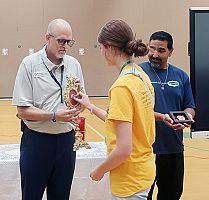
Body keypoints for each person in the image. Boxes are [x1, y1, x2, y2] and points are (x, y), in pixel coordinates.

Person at [73, 19, 156, 200]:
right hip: (145, 171)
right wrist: (91, 107)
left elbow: (124, 149)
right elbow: (124, 121)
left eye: (101, 47)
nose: (101, 52)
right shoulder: (141, 76)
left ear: (109, 47)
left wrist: (99, 171)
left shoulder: (121, 87)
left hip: (129, 181)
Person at [12, 19, 85, 200]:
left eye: (69, 42)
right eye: (61, 41)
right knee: (31, 195)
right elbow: (22, 110)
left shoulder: (74, 64)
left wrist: (81, 104)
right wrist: (54, 116)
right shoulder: (29, 64)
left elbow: (83, 98)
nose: (65, 46)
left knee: (61, 196)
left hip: (67, 142)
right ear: (47, 37)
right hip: (37, 142)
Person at [139, 31, 195, 200]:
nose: (155, 55)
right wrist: (162, 117)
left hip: (173, 148)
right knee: (142, 196)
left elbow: (190, 106)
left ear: (171, 52)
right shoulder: (138, 73)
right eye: (152, 49)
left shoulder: (181, 76)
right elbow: (135, 109)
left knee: (171, 195)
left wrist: (187, 118)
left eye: (161, 50)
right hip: (145, 150)